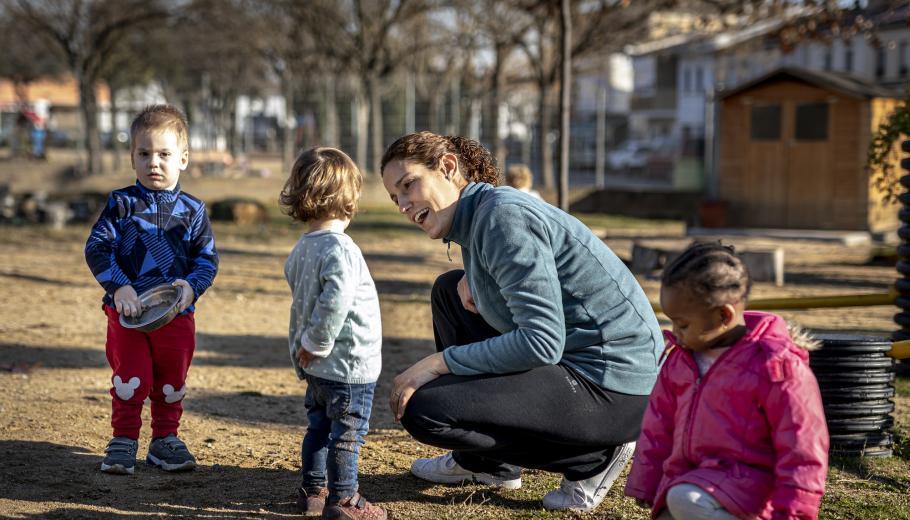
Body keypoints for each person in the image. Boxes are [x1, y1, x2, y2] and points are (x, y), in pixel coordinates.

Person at [380, 131, 663, 513]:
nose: (402, 204)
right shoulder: (480, 216)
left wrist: (438, 363)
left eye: (408, 185)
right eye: (395, 197)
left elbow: (542, 342)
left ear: (448, 167)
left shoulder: (502, 215)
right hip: (584, 368)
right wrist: (475, 277)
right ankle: (488, 463)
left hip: (617, 388)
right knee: (449, 292)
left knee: (426, 410)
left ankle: (593, 458)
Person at [624, 242, 828, 519]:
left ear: (723, 315)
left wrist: (792, 513)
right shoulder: (680, 362)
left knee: (684, 499)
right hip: (692, 482)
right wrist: (647, 485)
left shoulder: (773, 366)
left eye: (683, 325)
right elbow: (658, 426)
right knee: (676, 504)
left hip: (750, 495)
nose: (675, 333)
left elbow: (802, 446)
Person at [84, 104, 218, 475]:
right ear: (133, 157)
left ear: (184, 159)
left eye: (164, 154)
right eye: (144, 154)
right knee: (131, 377)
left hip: (176, 315)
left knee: (172, 380)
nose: (153, 162)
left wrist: (193, 287)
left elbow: (207, 259)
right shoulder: (121, 204)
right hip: (127, 313)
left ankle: (165, 440)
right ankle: (124, 439)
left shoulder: (193, 210)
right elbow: (97, 247)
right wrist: (119, 287)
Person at [279, 147, 386, 520]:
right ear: (349, 198)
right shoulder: (342, 250)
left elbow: (301, 304)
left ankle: (312, 490)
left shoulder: (302, 249)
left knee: (319, 428)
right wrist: (317, 342)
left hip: (317, 366)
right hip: (346, 365)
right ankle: (344, 500)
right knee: (347, 434)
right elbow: (334, 302)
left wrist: (304, 350)